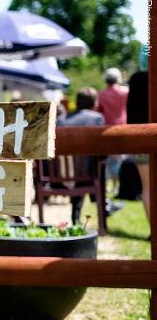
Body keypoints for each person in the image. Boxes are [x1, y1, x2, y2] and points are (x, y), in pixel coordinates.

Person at [58, 87, 105, 224]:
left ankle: (77, 216)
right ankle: (103, 206)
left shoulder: (61, 120)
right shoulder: (97, 118)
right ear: (94, 103)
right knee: (99, 163)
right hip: (85, 175)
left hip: (58, 176)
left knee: (82, 165)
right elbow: (102, 149)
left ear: (77, 102)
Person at [127, 70, 150, 221]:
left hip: (141, 139)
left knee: (147, 187)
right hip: (142, 139)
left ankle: (153, 229)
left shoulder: (137, 78)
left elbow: (130, 113)